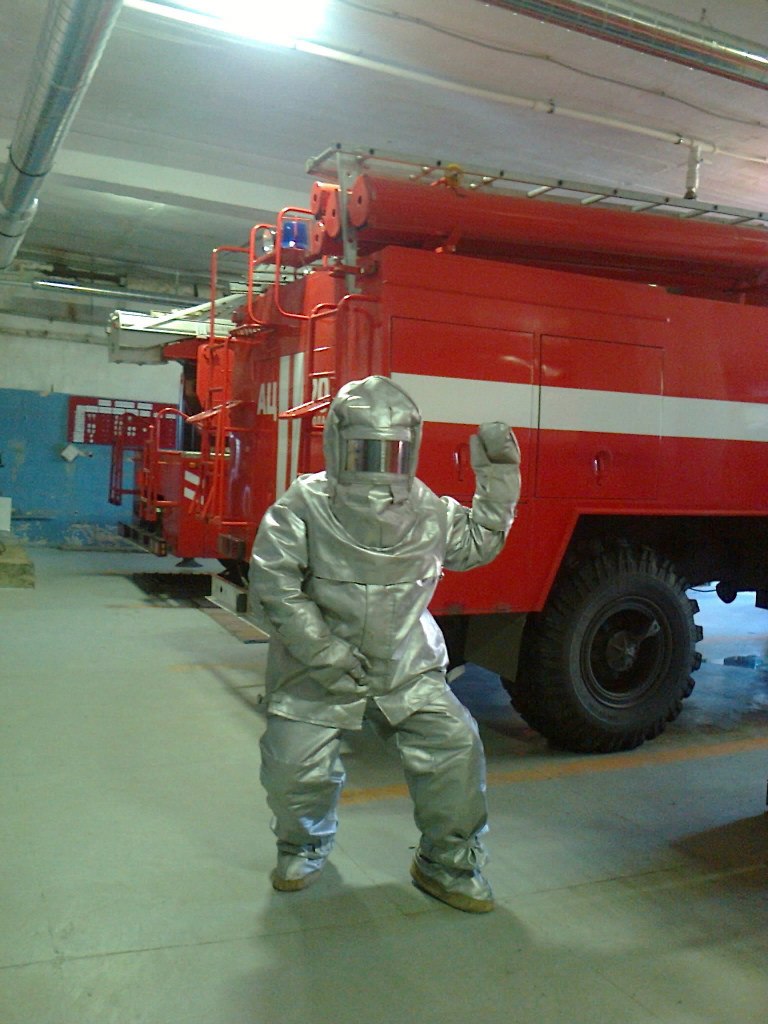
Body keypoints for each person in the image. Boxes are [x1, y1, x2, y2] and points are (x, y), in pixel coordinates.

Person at [248, 374, 520, 913]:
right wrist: (324, 652)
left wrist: (498, 484)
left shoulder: (429, 510)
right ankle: (302, 845)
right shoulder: (304, 504)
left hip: (406, 664)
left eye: (390, 451)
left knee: (455, 748)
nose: (376, 466)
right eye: (363, 450)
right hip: (316, 668)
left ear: (410, 449)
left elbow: (477, 543)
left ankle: (447, 862)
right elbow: (274, 584)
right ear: (337, 445)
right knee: (291, 768)